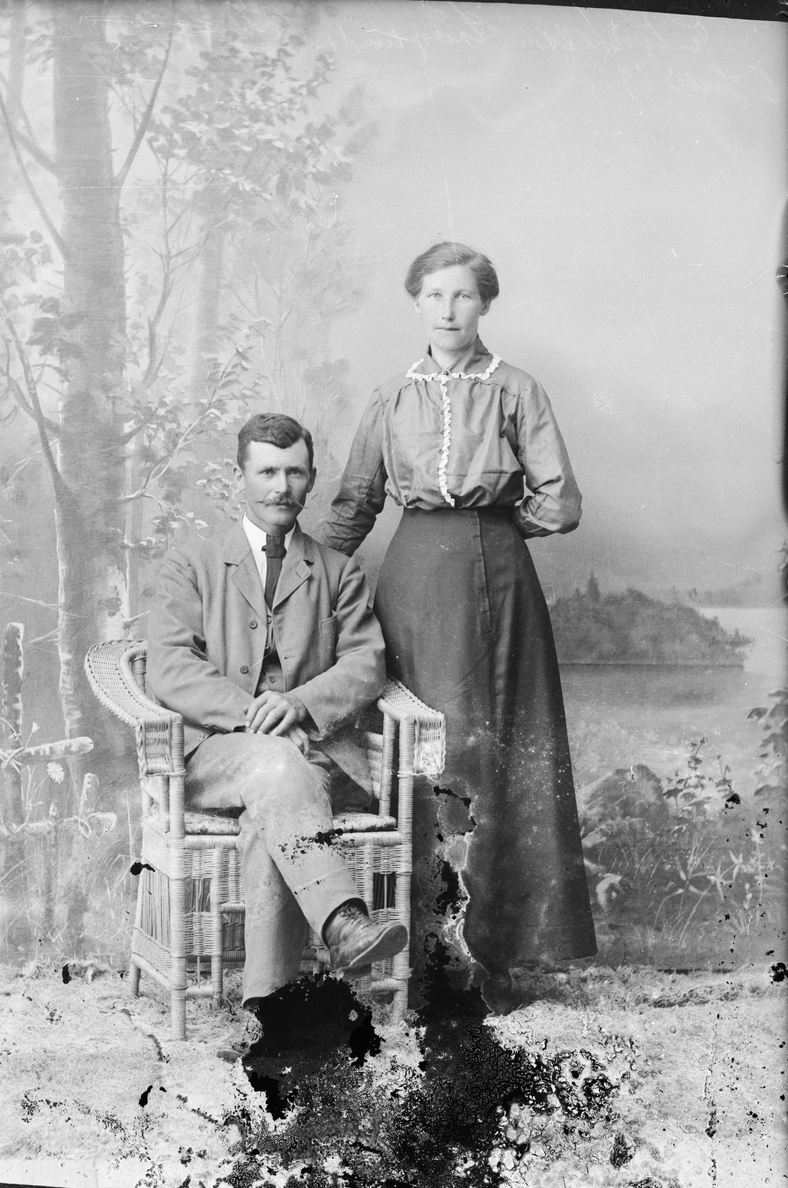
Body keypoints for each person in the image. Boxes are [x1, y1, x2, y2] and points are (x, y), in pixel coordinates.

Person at [317, 242, 596, 1015]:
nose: (448, 310)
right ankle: (416, 953)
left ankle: (489, 958)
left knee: (491, 754)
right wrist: (298, 581)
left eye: (463, 296)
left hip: (498, 582)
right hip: (412, 583)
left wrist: (493, 531)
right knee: (419, 755)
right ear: (416, 303)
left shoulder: (516, 389)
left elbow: (560, 502)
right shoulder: (389, 398)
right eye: (434, 295)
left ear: (485, 305)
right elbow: (354, 506)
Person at [146, 412, 407, 1025]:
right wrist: (251, 713)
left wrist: (298, 703)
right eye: (267, 472)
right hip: (216, 755)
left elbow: (366, 665)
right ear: (239, 477)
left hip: (316, 757)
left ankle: (272, 1015)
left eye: (294, 473)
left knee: (274, 810)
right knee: (275, 764)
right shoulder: (191, 563)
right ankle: (343, 920)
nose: (281, 487)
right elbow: (170, 666)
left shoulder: (338, 571)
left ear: (311, 480)